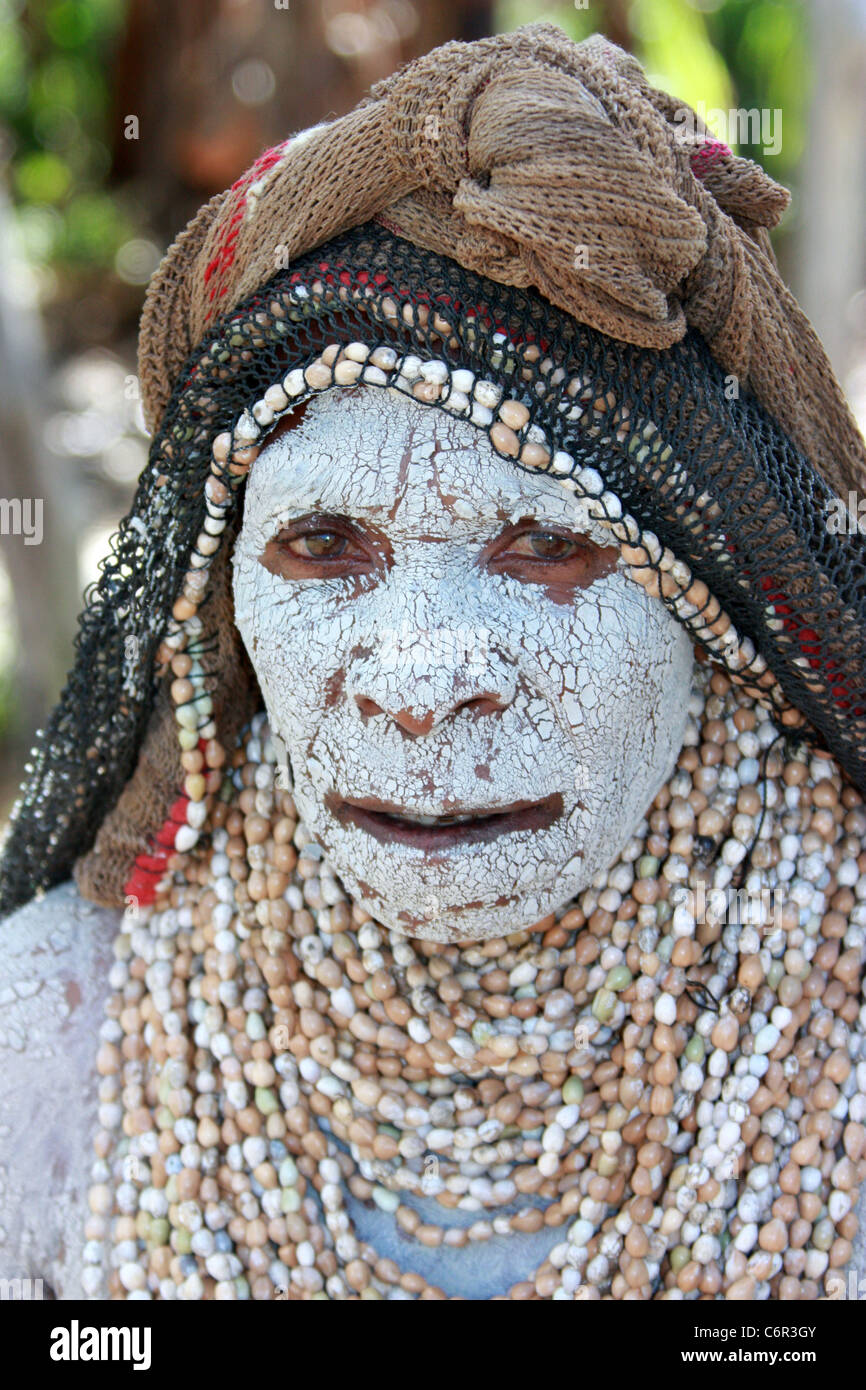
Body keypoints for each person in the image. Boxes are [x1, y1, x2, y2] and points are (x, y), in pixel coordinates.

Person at [0, 23, 864, 1301]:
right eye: (322, 542)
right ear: (220, 602)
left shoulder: (834, 1020)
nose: (416, 680)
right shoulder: (53, 1039)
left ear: (713, 600)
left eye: (545, 544)